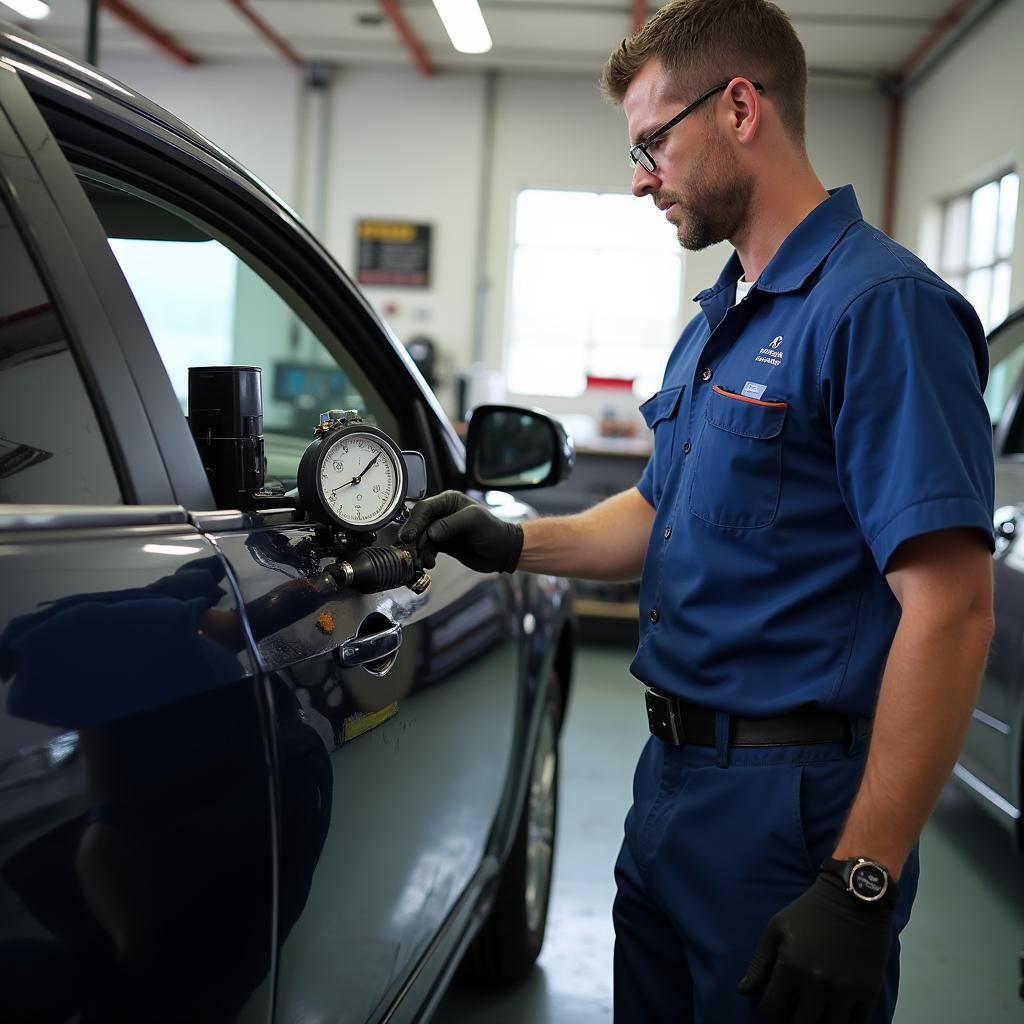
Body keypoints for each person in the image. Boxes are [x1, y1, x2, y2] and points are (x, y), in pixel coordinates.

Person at [399, 1, 996, 1021]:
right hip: (670, 778)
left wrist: (861, 880)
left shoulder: (877, 310)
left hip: (792, 806)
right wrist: (512, 540)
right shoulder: (723, 317)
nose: (640, 177)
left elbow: (949, 606)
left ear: (737, 109)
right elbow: (655, 507)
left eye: (650, 144)